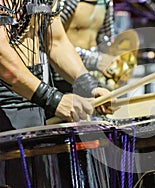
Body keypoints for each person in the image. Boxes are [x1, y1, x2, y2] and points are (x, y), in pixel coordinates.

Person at [0, 0, 112, 132]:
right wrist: (53, 99)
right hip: (6, 98)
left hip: (34, 92)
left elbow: (57, 43)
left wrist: (89, 85)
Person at [54, 0, 138, 92]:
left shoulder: (105, 2)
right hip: (65, 76)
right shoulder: (68, 2)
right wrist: (97, 60)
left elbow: (105, 39)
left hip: (94, 77)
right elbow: (53, 42)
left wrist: (116, 61)